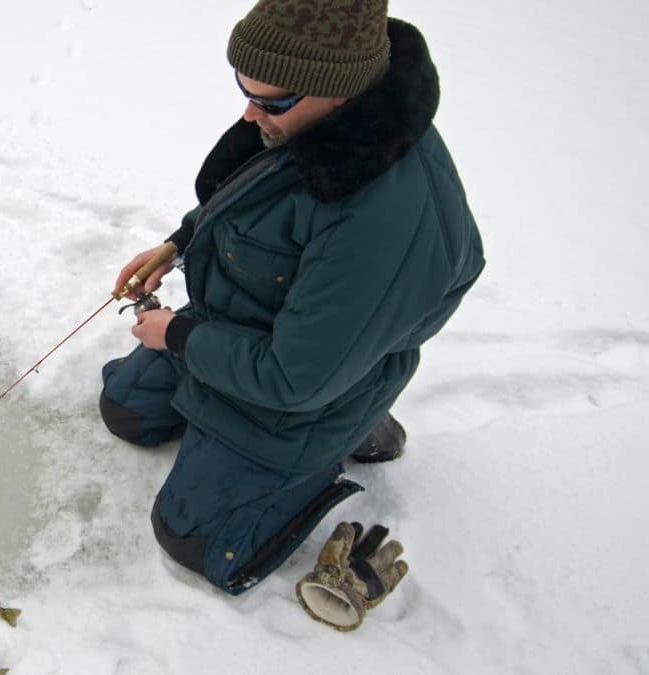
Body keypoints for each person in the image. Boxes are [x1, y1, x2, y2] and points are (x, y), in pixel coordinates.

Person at [99, 0, 485, 595]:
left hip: (302, 387)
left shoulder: (379, 220)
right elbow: (254, 198)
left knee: (193, 538)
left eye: (272, 100)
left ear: (340, 91)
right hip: (264, 328)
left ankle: (345, 431)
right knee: (126, 410)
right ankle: (331, 400)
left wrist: (176, 335)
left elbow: (294, 379)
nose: (250, 113)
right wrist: (180, 242)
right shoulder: (321, 125)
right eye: (245, 89)